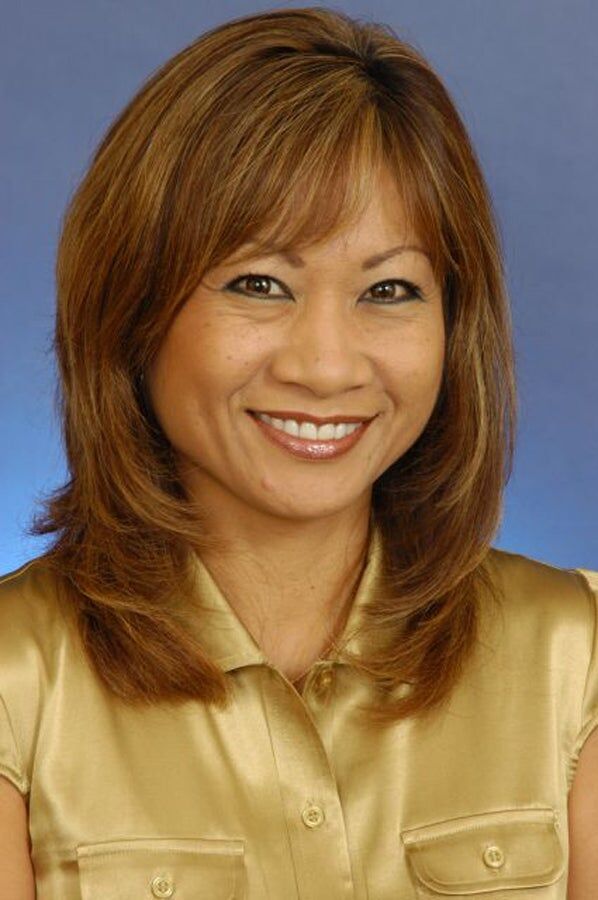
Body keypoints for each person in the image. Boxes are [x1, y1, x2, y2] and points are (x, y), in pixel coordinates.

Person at [1, 6, 596, 898]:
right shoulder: (15, 682)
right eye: (260, 284)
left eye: (388, 290)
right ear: (131, 310)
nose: (326, 366)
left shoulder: (574, 658)